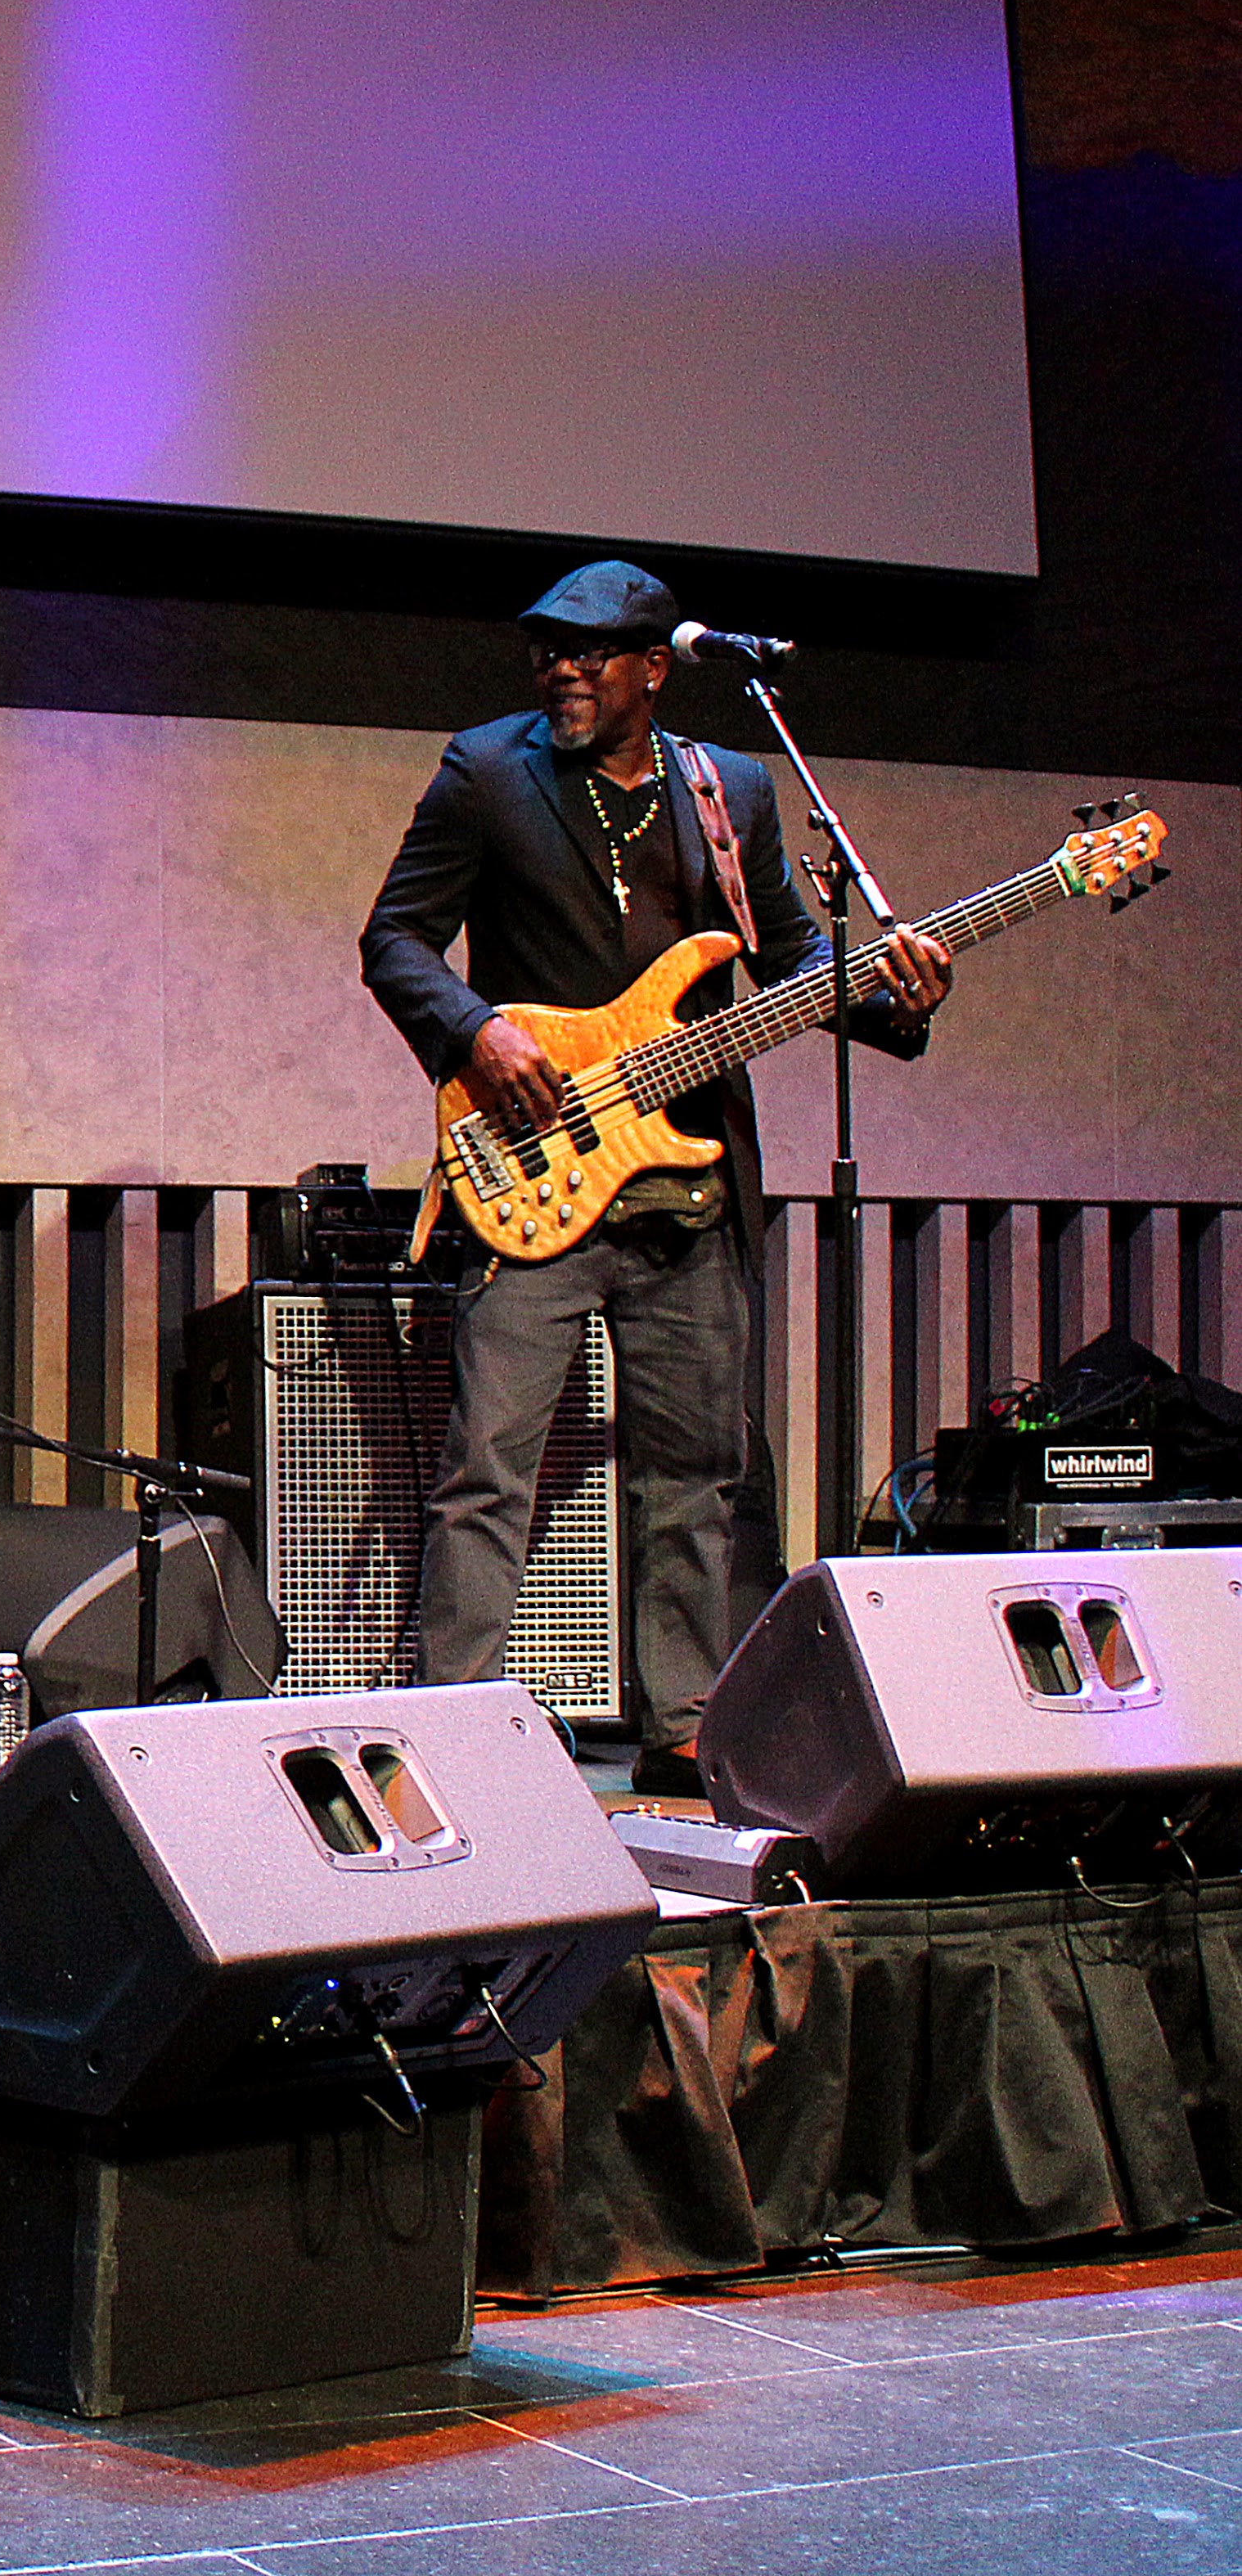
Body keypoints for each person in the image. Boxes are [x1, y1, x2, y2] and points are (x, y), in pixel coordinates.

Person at [362, 560, 951, 1795]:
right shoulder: (484, 771)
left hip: (688, 1189)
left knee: (697, 1474)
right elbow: (395, 938)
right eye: (545, 652)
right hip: (537, 1177)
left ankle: (681, 1723)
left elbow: (791, 960)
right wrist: (476, 1031)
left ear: (653, 665)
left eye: (588, 652)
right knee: (488, 1469)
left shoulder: (728, 788)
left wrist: (893, 1000)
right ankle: (452, 1724)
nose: (559, 671)